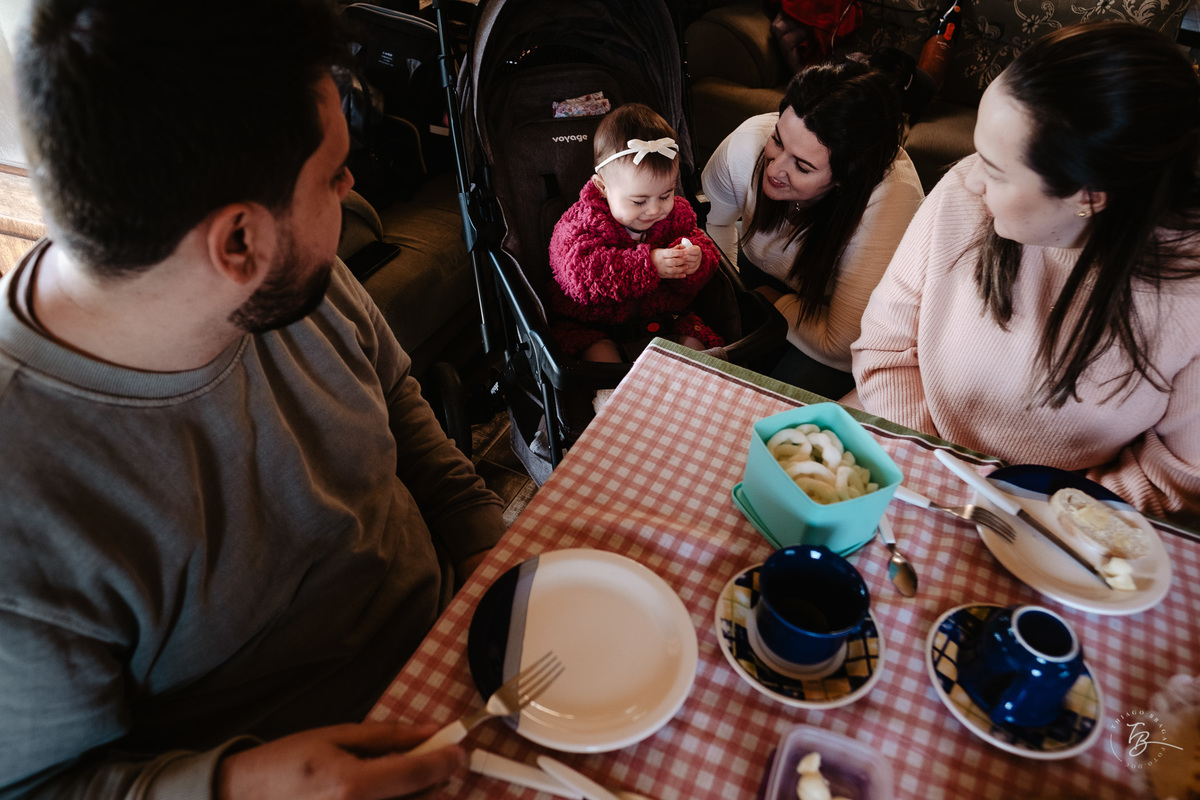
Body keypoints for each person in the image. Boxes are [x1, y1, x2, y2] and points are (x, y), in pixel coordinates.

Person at [1, 1, 506, 797]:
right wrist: (233, 785)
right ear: (238, 243)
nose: (352, 190)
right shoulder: (22, 511)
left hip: (465, 648)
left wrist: (485, 544)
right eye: (336, 177)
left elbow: (393, 394)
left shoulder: (286, 277)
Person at [851, 22, 1200, 522]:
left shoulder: (1189, 297)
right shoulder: (960, 198)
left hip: (1068, 526)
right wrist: (942, 468)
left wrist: (1033, 512)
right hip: (921, 468)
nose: (968, 179)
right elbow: (884, 349)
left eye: (995, 170)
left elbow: (1180, 480)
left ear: (1089, 195)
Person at [701, 57, 924, 399]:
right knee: (710, 376)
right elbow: (714, 223)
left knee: (771, 405)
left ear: (845, 179)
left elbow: (839, 342)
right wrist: (736, 294)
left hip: (841, 320)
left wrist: (768, 300)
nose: (774, 169)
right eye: (778, 141)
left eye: (802, 167)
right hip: (756, 274)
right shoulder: (747, 144)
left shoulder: (890, 202)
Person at [548, 103, 725, 364]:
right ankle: (615, 397)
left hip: (668, 319)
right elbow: (580, 276)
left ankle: (698, 392)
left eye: (665, 195)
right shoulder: (581, 223)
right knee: (601, 361)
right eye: (639, 201)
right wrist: (649, 265)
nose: (654, 209)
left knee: (699, 348)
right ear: (603, 187)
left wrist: (694, 259)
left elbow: (699, 242)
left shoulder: (677, 213)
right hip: (595, 326)